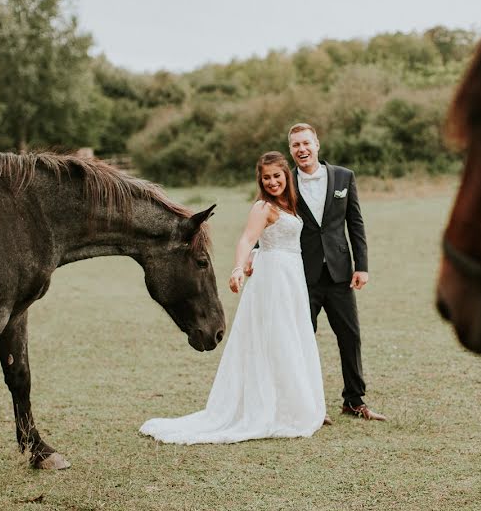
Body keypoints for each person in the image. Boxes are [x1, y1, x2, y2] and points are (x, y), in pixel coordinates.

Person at [139, 151, 326, 444]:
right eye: (267, 178)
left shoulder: (290, 204)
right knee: (276, 337)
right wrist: (240, 266)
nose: (273, 181)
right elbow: (246, 239)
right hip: (273, 279)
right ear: (261, 181)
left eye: (277, 176)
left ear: (285, 176)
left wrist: (256, 254)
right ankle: (270, 408)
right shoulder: (263, 207)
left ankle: (291, 404)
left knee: (293, 335)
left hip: (291, 277)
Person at [250, 123, 385, 421]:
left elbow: (355, 223)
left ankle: (354, 400)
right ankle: (306, 406)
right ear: (291, 150)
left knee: (350, 336)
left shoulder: (344, 177)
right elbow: (271, 222)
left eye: (306, 143)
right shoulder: (285, 183)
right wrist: (254, 256)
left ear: (317, 144)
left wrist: (361, 265)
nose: (302, 149)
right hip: (300, 276)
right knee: (300, 340)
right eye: (296, 145)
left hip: (339, 273)